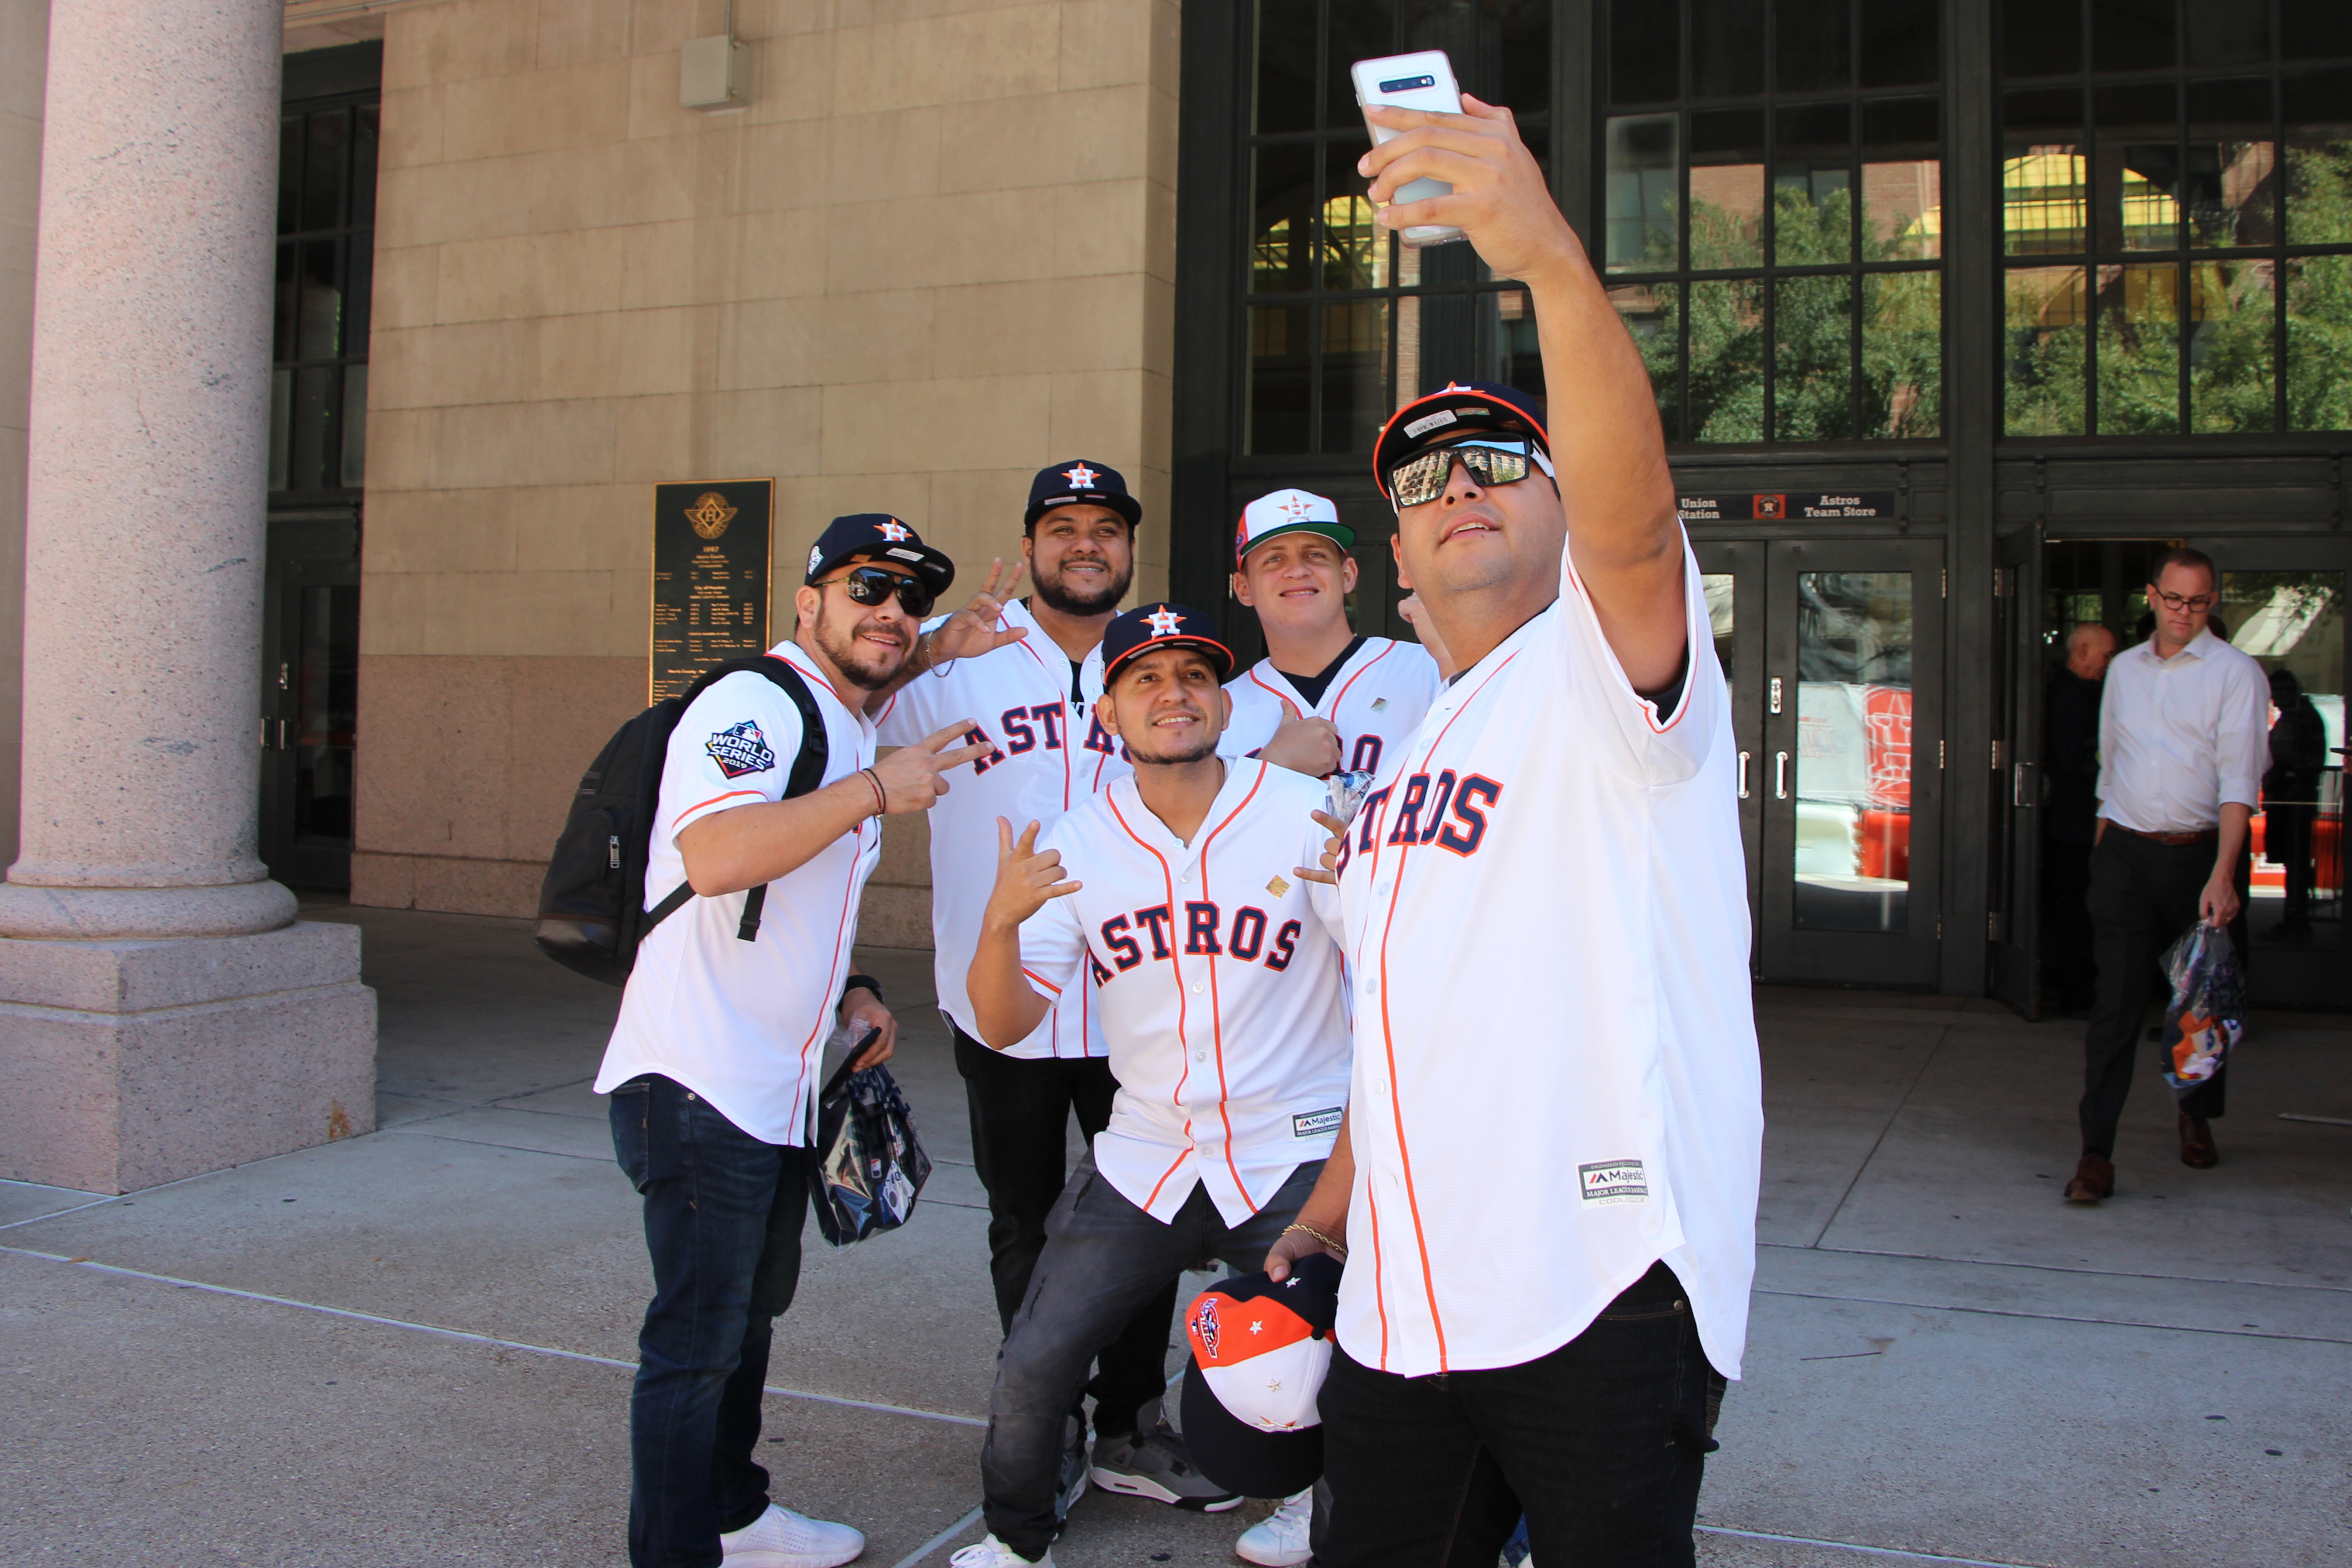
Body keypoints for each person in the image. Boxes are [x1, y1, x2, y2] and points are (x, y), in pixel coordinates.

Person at [1261, 91, 1762, 1568]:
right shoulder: (1414, 738)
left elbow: (1631, 521)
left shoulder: (1598, 669)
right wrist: (1324, 1216)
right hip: (1403, 1308)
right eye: (1419, 483)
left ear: (1553, 500)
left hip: (1590, 1291)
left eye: (1496, 461)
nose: (1458, 483)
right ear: (1399, 570)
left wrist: (1540, 256)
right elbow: (1401, 1025)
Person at [593, 515, 993, 1568]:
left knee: (745, 1318)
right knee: (693, 1338)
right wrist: (875, 791)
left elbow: (796, 893)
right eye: (869, 588)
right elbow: (719, 854)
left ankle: (734, 1512)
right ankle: (676, 1550)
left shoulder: (844, 717)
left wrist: (854, 987)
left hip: (771, 1082)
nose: (892, 613)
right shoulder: (753, 703)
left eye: (910, 598)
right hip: (693, 1076)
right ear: (808, 599)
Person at [949, 604, 1355, 1568]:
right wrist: (1000, 925)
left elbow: (1393, 978)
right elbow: (1005, 1023)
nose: (1173, 694)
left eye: (1194, 676)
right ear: (1110, 716)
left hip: (1288, 1145)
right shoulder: (1073, 841)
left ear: (1223, 701)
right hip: (1146, 1153)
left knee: (1343, 1364)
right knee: (1036, 1360)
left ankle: (1312, 1509)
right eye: (1146, 678)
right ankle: (1017, 1535)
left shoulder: (1307, 812)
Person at [871, 462, 1222, 1511]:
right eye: (1062, 526)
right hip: (1003, 992)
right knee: (1024, 1217)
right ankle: (1047, 1423)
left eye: (1104, 528)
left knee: (1148, 1214)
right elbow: (838, 724)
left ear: (1126, 549)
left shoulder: (1159, 666)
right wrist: (930, 645)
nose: (1084, 544)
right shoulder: (959, 653)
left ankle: (1127, 1422)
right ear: (1027, 545)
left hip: (1138, 993)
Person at [2066, 547, 2268, 1202]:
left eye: (2199, 602)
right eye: (2175, 600)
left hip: (2198, 857)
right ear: (2152, 596)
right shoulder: (2123, 670)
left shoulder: (2235, 674)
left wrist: (2225, 874)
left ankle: (2196, 1117)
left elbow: (2240, 779)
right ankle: (2096, 1153)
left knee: (2197, 1007)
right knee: (2114, 1011)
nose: (2185, 613)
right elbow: (2111, 765)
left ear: (2214, 602)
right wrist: (2102, 858)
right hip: (2125, 853)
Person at [1218, 488, 1446, 783]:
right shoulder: (1218, 713)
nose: (1298, 570)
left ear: (1348, 574)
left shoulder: (1430, 669)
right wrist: (1268, 770)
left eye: (1315, 555)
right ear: (1244, 588)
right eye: (1274, 559)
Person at [2044, 623, 2118, 1016]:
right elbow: (2075, 760)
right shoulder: (2068, 697)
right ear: (2083, 651)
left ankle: (2084, 991)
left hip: (2080, 821)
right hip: (2073, 824)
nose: (2108, 664)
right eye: (2105, 655)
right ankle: (2078, 994)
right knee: (2076, 912)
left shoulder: (2082, 693)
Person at [2263, 666, 2327, 940]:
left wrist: (2284, 777)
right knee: (2292, 860)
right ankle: (2294, 917)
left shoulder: (2303, 718)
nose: (2274, 701)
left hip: (2295, 801)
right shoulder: (2295, 716)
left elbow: (2306, 761)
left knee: (2297, 860)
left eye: (2276, 694)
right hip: (2287, 799)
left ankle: (2296, 920)